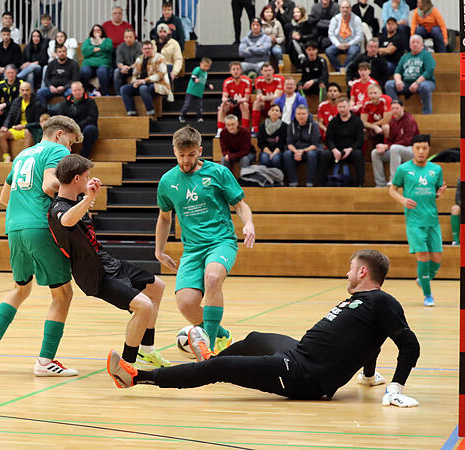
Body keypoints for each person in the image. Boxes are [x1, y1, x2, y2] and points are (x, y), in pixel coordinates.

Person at [108, 250, 422, 414]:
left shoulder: (381, 301)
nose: (347, 272)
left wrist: (394, 388)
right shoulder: (367, 304)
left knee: (220, 370)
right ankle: (209, 354)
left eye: (351, 268)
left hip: (304, 377)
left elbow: (409, 345)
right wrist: (368, 377)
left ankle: (135, 377)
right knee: (256, 338)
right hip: (298, 354)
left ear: (363, 272)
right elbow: (373, 342)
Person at [0, 116, 84, 377]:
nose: (70, 151)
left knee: (20, 288)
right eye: (70, 143)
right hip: (40, 227)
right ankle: (46, 361)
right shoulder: (56, 150)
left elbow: (4, 197)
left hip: (14, 227)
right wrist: (79, 188)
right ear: (59, 134)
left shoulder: (23, 154)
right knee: (62, 294)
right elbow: (50, 185)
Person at [48, 154, 169, 368]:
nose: (88, 180)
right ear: (76, 179)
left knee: (157, 287)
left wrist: (89, 197)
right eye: (86, 177)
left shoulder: (77, 203)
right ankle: (126, 365)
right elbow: (66, 221)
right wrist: (87, 199)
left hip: (108, 262)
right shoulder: (58, 207)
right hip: (94, 274)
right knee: (144, 306)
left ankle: (146, 350)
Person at [155, 126, 255, 352]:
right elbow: (164, 218)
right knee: (186, 304)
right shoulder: (167, 181)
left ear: (200, 151)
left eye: (191, 155)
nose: (186, 160)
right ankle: (222, 335)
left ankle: (207, 345)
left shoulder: (218, 173)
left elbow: (240, 204)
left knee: (212, 278)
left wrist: (248, 223)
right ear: (174, 151)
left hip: (221, 241)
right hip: (192, 249)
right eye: (181, 155)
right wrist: (159, 251)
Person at [389, 134, 445, 306]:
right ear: (412, 149)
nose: (421, 151)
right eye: (417, 148)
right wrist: (403, 200)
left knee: (437, 259)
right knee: (423, 256)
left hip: (432, 220)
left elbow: (435, 193)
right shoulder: (404, 169)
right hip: (414, 221)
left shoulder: (436, 170)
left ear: (429, 149)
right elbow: (392, 189)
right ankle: (428, 296)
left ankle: (423, 279)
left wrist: (439, 194)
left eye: (424, 148)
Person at [372, 99, 418, 187]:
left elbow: (407, 141)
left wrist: (387, 146)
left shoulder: (409, 120)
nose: (395, 111)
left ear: (403, 108)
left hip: (411, 150)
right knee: (375, 153)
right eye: (393, 109)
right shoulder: (393, 121)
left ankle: (395, 180)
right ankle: (380, 183)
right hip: (396, 151)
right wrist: (386, 136)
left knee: (394, 148)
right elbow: (390, 141)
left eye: (397, 108)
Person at [385, 35, 436, 115]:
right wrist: (398, 81)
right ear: (409, 45)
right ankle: (398, 109)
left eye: (417, 42)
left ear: (422, 45)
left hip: (424, 82)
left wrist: (417, 83)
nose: (415, 44)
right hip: (406, 83)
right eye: (413, 42)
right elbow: (397, 72)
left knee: (424, 87)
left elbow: (429, 71)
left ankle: (427, 113)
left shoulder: (426, 55)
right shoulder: (405, 57)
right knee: (389, 84)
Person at [120, 40, 173, 116]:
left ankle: (151, 112)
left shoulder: (159, 57)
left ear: (152, 49)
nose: (147, 50)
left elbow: (160, 74)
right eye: (145, 49)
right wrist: (134, 82)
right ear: (142, 50)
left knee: (143, 88)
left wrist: (144, 81)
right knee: (124, 89)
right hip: (142, 83)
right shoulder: (139, 59)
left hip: (158, 84)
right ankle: (131, 112)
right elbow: (135, 74)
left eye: (149, 48)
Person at [321, 97, 365, 186]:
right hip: (336, 152)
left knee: (358, 154)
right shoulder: (333, 122)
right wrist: (334, 149)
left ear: (349, 107)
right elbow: (329, 139)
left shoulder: (357, 121)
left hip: (351, 151)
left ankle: (360, 183)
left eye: (344, 107)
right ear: (337, 108)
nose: (342, 109)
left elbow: (360, 140)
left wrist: (350, 149)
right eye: (340, 107)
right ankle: (321, 183)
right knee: (324, 154)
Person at [0, 82, 44, 162]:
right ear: (19, 91)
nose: (25, 93)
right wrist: (5, 126)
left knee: (27, 131)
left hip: (31, 130)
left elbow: (38, 122)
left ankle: (25, 157)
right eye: (22, 90)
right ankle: (6, 156)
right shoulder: (16, 101)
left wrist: (24, 126)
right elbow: (10, 115)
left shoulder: (37, 102)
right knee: (2, 134)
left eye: (27, 90)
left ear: (31, 91)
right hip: (18, 128)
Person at [58, 81, 99, 158]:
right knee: (60, 131)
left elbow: (92, 117)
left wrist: (77, 126)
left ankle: (84, 155)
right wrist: (70, 127)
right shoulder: (65, 103)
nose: (77, 92)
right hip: (70, 128)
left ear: (83, 90)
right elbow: (61, 118)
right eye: (75, 90)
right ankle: (65, 155)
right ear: (71, 91)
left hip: (84, 128)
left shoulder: (90, 101)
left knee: (91, 129)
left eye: (79, 90)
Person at [285, 105, 322, 186]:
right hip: (296, 150)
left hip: (309, 149)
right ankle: (293, 182)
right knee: (287, 154)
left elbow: (315, 144)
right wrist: (296, 151)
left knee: (312, 154)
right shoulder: (291, 125)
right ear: (295, 115)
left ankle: (310, 182)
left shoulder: (314, 125)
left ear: (308, 115)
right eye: (299, 114)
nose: (301, 116)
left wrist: (303, 151)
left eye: (303, 114)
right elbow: (289, 143)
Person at [326, 0, 364, 72]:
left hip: (352, 44)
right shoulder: (335, 19)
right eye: (343, 8)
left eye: (347, 7)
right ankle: (340, 69)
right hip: (339, 43)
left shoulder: (356, 19)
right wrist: (337, 44)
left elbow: (359, 35)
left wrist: (349, 44)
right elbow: (331, 34)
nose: (345, 10)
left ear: (350, 8)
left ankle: (345, 69)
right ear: (340, 8)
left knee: (354, 51)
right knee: (328, 51)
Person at [217, 61, 252, 134]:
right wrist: (229, 100)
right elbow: (223, 98)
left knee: (244, 104)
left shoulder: (247, 81)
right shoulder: (227, 82)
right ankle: (220, 130)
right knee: (223, 105)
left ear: (241, 71)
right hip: (232, 105)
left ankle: (245, 130)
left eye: (238, 69)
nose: (236, 71)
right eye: (233, 69)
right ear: (230, 71)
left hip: (243, 105)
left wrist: (238, 101)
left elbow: (246, 98)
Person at [250, 63, 284, 134]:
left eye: (269, 70)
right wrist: (262, 98)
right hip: (265, 105)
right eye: (265, 71)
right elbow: (259, 96)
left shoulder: (280, 79)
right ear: (261, 72)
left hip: (279, 106)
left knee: (274, 101)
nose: (268, 73)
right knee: (256, 103)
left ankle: (276, 127)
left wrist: (264, 97)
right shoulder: (258, 81)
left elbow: (277, 96)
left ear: (273, 71)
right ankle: (255, 130)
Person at [80, 24, 114, 95]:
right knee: (84, 71)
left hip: (103, 63)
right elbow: (84, 51)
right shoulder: (88, 41)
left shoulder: (107, 40)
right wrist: (96, 49)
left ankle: (105, 93)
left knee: (102, 72)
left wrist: (99, 40)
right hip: (88, 63)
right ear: (92, 32)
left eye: (98, 30)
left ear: (102, 31)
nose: (96, 32)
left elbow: (108, 48)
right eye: (95, 30)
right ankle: (86, 91)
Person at [180, 57, 213, 124]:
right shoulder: (197, 69)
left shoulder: (205, 73)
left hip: (199, 92)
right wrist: (195, 79)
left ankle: (199, 117)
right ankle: (182, 116)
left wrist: (208, 85)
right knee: (187, 104)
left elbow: (203, 81)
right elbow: (193, 76)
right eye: (205, 65)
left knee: (199, 106)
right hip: (191, 91)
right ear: (200, 64)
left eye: (208, 66)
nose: (206, 68)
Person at [258, 104, 288, 170]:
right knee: (264, 158)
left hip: (278, 151)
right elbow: (260, 143)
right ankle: (264, 179)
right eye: (272, 110)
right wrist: (270, 153)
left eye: (277, 110)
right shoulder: (262, 126)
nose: (274, 112)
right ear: (268, 112)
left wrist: (273, 153)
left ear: (280, 114)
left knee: (276, 159)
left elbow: (282, 143)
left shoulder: (284, 126)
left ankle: (276, 179)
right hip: (266, 151)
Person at [114, 29, 142, 95]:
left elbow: (139, 61)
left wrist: (129, 67)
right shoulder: (120, 47)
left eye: (130, 37)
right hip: (125, 69)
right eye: (126, 37)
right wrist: (123, 67)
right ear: (124, 38)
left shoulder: (139, 46)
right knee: (116, 71)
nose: (128, 39)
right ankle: (118, 95)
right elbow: (119, 62)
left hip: (136, 68)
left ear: (134, 37)